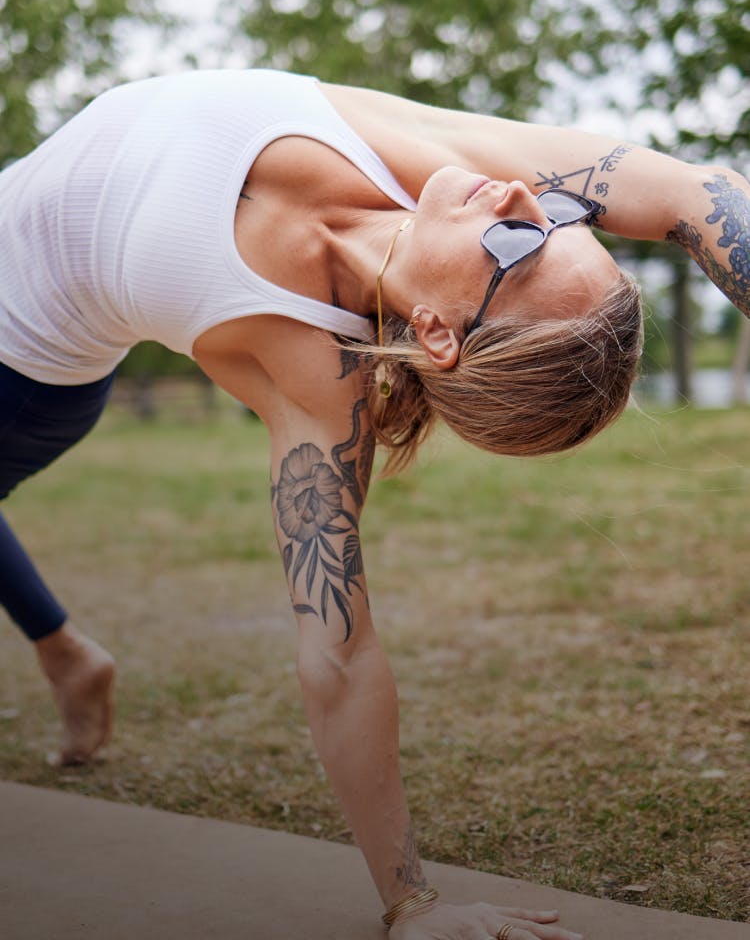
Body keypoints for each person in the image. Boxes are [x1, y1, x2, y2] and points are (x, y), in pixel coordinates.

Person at [1, 67, 747, 939]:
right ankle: (66, 652)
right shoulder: (464, 175)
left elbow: (340, 652)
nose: (523, 197)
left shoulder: (316, 376)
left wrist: (411, 904)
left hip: (19, 373)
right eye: (559, 220)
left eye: (519, 242)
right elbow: (705, 196)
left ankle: (62, 650)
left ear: (438, 330)